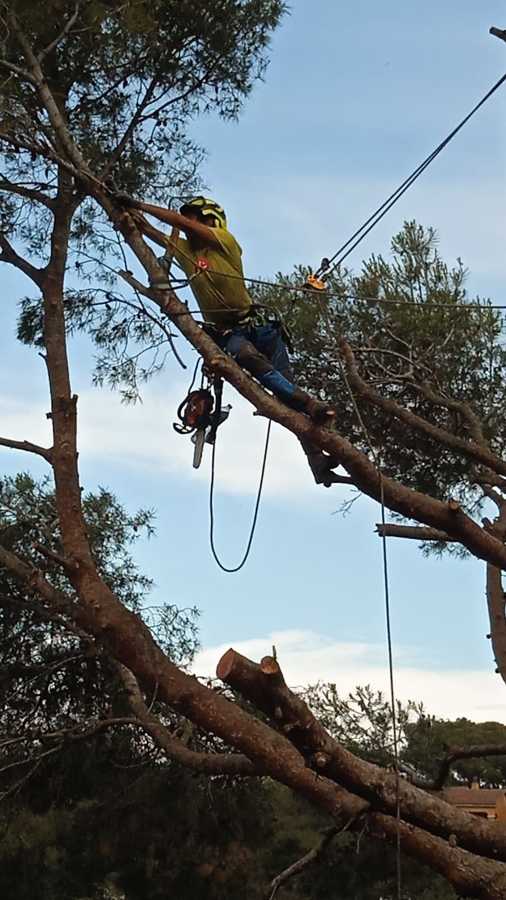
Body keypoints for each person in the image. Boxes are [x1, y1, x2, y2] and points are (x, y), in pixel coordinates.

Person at [118, 194, 342, 486]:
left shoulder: (226, 241)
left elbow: (173, 222)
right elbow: (149, 231)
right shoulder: (185, 250)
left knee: (285, 396)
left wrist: (139, 204)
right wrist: (125, 210)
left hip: (260, 328)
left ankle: (317, 460)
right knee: (247, 357)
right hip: (230, 334)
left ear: (211, 220)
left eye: (194, 219)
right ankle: (310, 409)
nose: (189, 225)